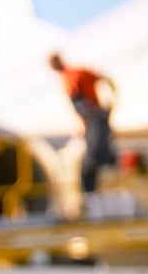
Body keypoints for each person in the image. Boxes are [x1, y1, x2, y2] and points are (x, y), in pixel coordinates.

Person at [49, 52, 118, 195]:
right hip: (92, 119)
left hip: (95, 117)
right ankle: (91, 192)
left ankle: (91, 191)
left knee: (95, 155)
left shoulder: (75, 75)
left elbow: (103, 81)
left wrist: (110, 102)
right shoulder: (68, 78)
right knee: (94, 154)